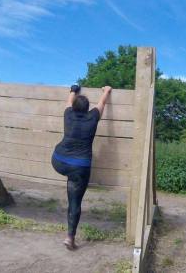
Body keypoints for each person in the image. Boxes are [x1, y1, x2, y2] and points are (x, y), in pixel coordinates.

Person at [51, 83, 112, 249]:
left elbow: (69, 100)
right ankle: (70, 237)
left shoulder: (68, 114)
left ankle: (70, 178)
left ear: (74, 107)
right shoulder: (92, 117)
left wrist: (73, 90)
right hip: (78, 167)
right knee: (75, 202)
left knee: (71, 177)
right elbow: (102, 103)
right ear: (87, 109)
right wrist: (106, 90)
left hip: (58, 161)